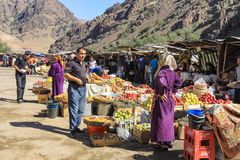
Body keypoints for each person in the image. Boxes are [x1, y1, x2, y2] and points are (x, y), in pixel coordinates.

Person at [151, 54, 182, 151]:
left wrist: (161, 93)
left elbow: (161, 82)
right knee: (169, 121)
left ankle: (163, 144)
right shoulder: (173, 72)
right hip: (170, 99)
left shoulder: (162, 72)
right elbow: (179, 82)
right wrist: (173, 91)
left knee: (162, 120)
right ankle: (169, 141)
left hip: (163, 100)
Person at [64, 48, 88, 138]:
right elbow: (66, 74)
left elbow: (83, 73)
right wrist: (76, 79)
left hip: (83, 89)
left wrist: (87, 77)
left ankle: (76, 126)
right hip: (74, 88)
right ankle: (72, 129)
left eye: (84, 54)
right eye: (81, 53)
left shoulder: (84, 63)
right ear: (77, 54)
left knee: (81, 110)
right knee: (74, 109)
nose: (83, 55)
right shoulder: (71, 63)